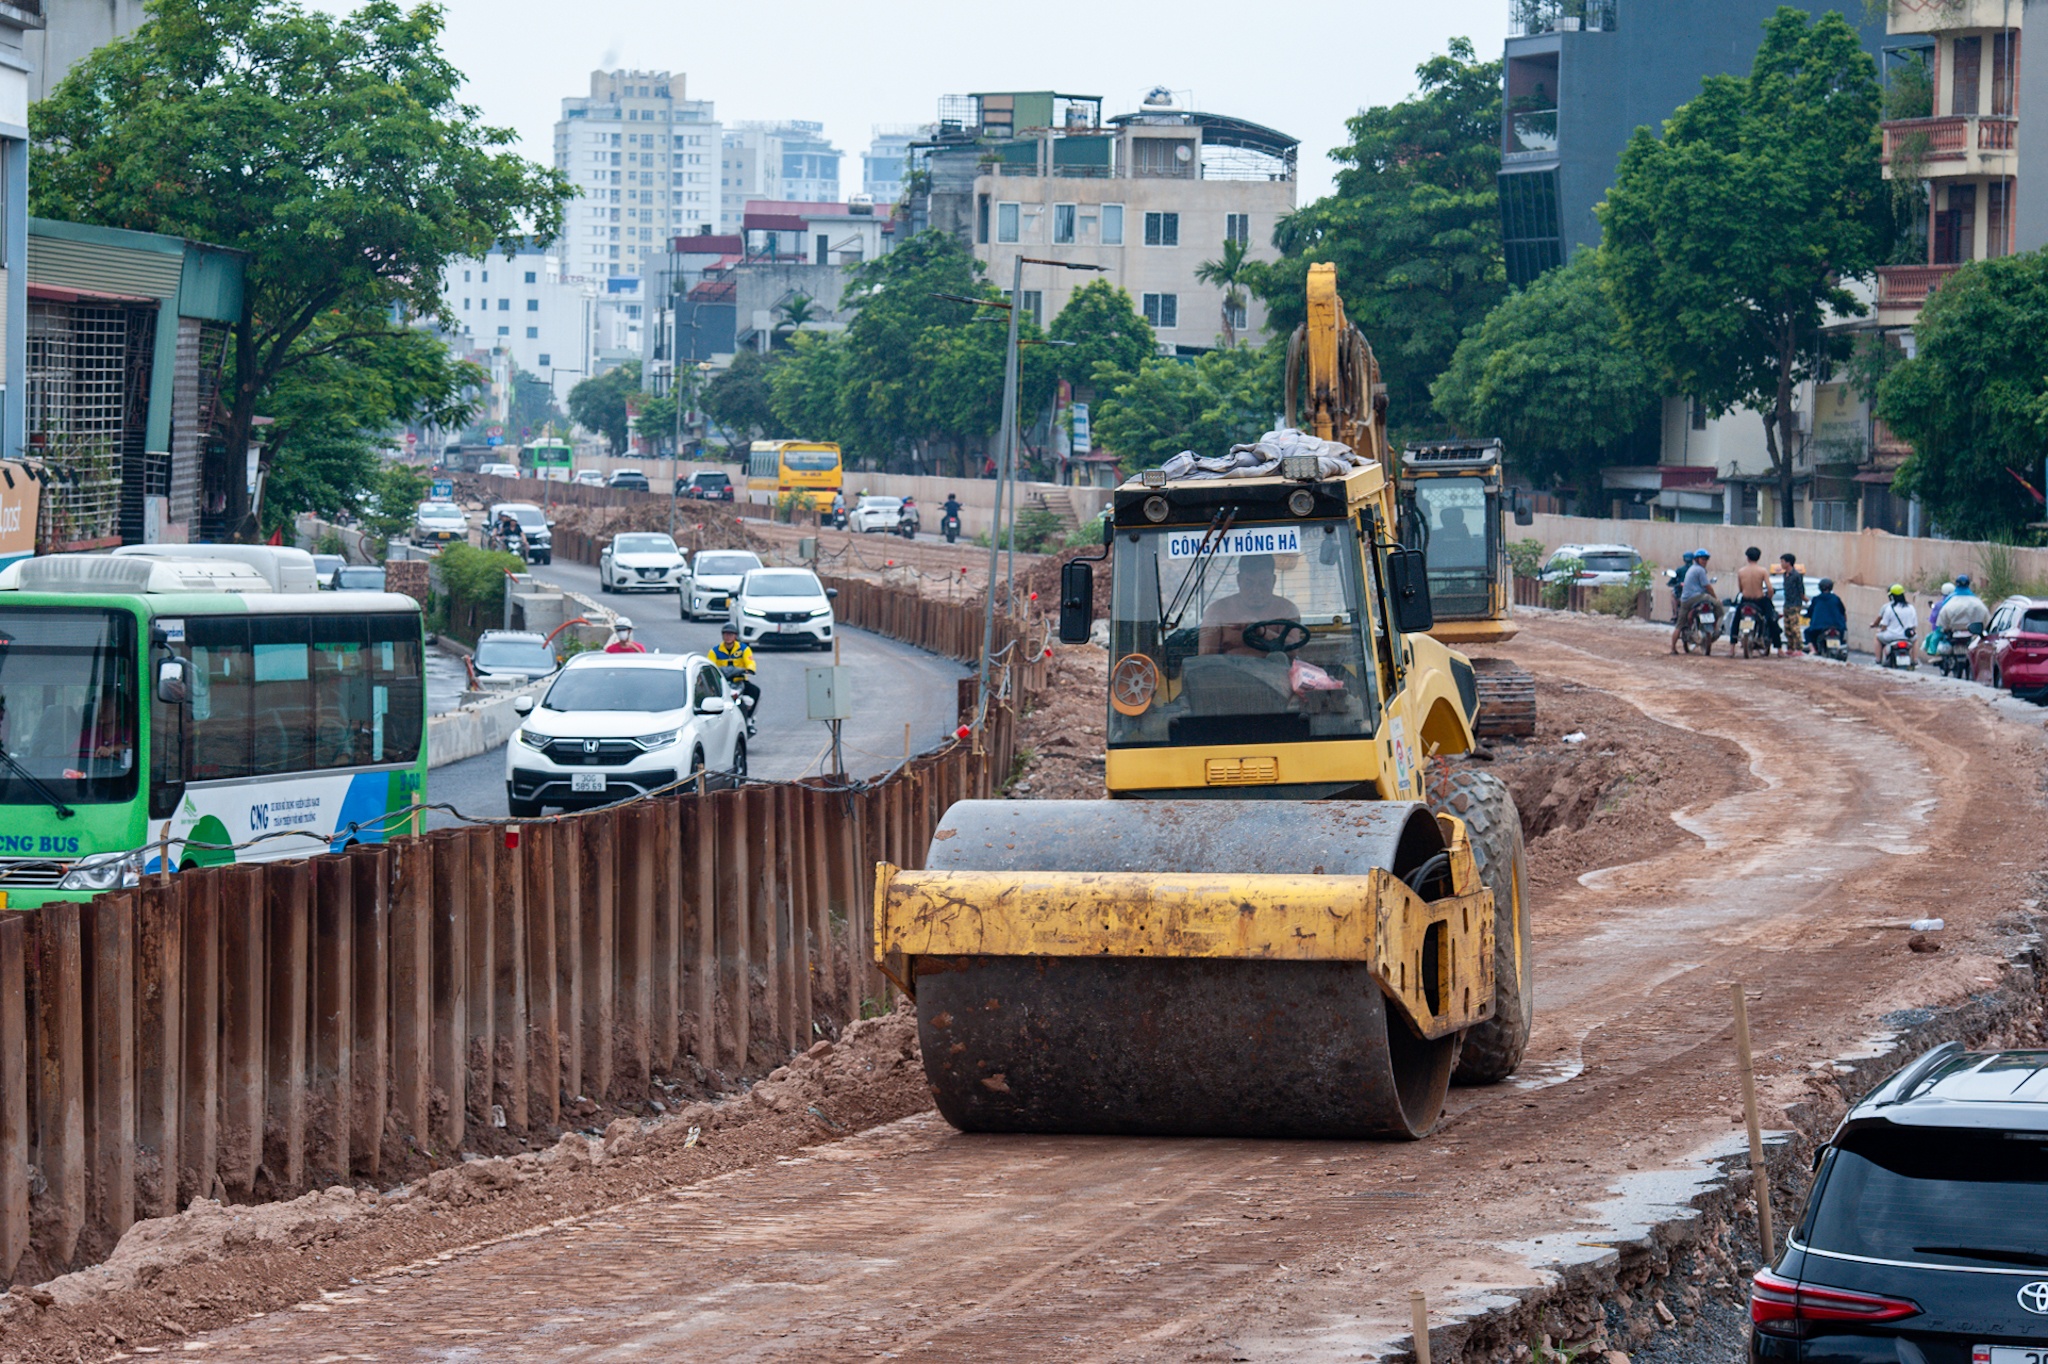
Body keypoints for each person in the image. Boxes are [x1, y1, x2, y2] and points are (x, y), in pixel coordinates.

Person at [1198, 554, 1301, 657]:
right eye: (1249, 583)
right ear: (1239, 580)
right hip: (1228, 672)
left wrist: (1262, 632)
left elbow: (1292, 652)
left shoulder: (1287, 610)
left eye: (1263, 583)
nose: (1256, 591)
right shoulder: (1217, 611)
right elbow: (1205, 657)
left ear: (1273, 581)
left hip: (1273, 671)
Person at [711, 624, 760, 736]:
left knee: (755, 691)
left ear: (735, 636)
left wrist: (749, 669)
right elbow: (710, 664)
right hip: (723, 683)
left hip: (739, 681)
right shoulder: (715, 651)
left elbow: (750, 661)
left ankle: (749, 720)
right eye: (725, 634)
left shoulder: (744, 649)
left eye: (731, 634)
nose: (728, 636)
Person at [1729, 546, 1780, 651]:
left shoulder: (1741, 571)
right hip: (1760, 600)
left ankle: (1731, 648)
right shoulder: (1762, 571)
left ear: (1747, 558)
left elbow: (1741, 588)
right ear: (1759, 557)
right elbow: (1770, 589)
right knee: (1772, 620)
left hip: (1745, 600)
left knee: (1736, 620)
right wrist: (1769, 598)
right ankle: (1779, 648)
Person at [1670, 549, 1720, 654]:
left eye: (1706, 559)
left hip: (1691, 599)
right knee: (1718, 606)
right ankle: (1716, 629)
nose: (1705, 561)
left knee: (1679, 624)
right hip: (1693, 599)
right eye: (1703, 559)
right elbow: (1707, 586)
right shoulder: (1700, 570)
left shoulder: (1693, 569)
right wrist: (1715, 598)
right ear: (1696, 559)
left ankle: (1673, 648)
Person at [1935, 572, 1991, 639]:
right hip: (1973, 634)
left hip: (1954, 633)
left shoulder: (1949, 602)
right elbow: (1987, 621)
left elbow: (1942, 622)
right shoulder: (1977, 603)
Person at [1803, 578, 1848, 654]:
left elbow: (1810, 612)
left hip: (1819, 627)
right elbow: (1842, 611)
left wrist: (1807, 616)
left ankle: (1812, 649)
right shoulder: (1836, 599)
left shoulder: (1816, 599)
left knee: (1807, 632)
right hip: (1837, 626)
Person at [1872, 585, 1917, 658]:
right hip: (1907, 636)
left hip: (1891, 636)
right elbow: (1914, 626)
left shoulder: (1889, 608)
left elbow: (1884, 626)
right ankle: (1915, 660)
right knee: (1915, 639)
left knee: (1877, 637)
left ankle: (1878, 659)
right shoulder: (1911, 608)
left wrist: (1880, 630)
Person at [1778, 553, 1806, 650]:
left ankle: (1798, 648)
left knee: (1795, 628)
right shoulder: (1785, 575)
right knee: (1787, 628)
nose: (1781, 564)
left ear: (1788, 563)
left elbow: (1801, 590)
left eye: (1782, 562)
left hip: (1795, 604)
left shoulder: (1796, 575)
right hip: (1787, 604)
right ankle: (1790, 647)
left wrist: (1803, 598)